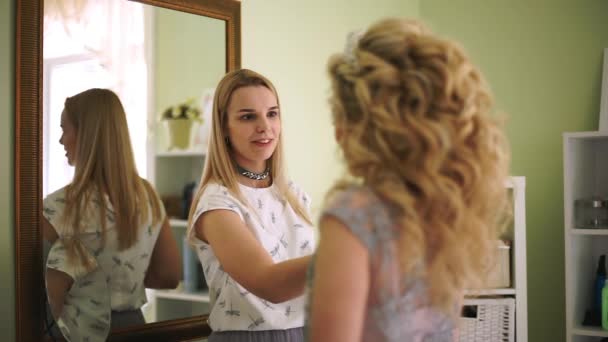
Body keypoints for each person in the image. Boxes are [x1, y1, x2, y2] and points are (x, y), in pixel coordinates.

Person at [307, 18, 511, 341]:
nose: (336, 133)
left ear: (360, 127)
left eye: (339, 115)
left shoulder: (355, 218)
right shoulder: (446, 213)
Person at [186, 69, 315, 342]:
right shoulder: (217, 203)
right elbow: (270, 283)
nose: (265, 127)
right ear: (223, 127)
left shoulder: (294, 195)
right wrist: (348, 252)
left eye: (272, 113)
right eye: (248, 117)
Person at [43, 88, 182, 332]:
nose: (61, 140)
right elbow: (169, 275)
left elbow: (46, 297)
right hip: (134, 330)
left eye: (65, 129)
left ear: (87, 134)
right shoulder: (147, 196)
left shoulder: (59, 207)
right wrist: (125, 280)